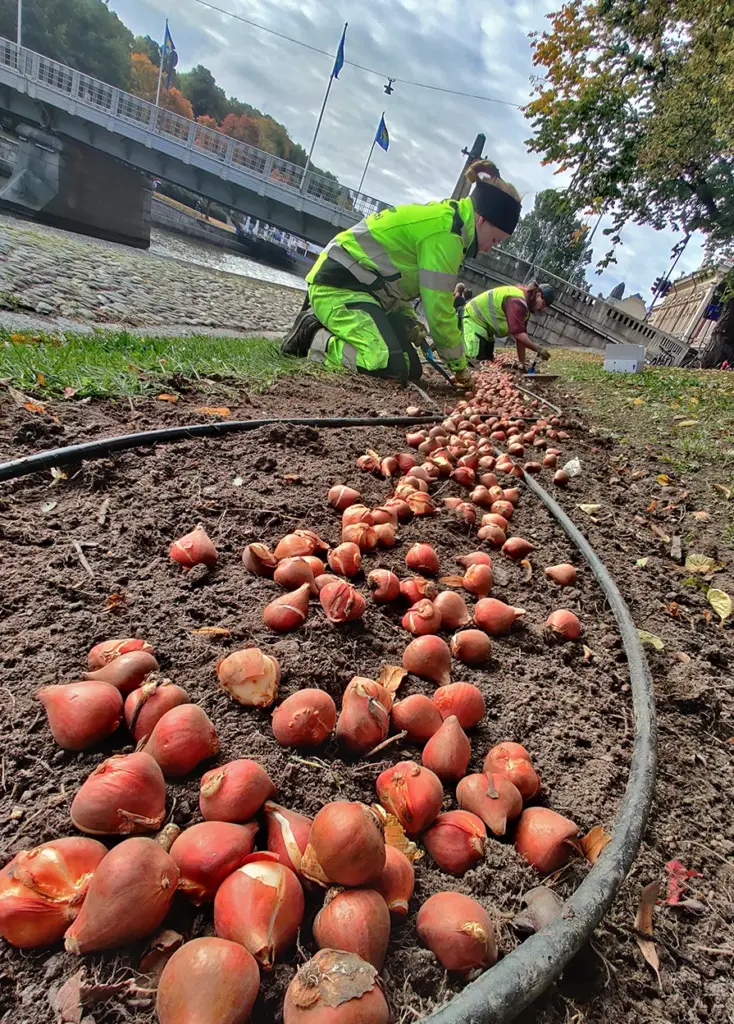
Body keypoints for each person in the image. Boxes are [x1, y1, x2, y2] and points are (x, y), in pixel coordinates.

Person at [281, 160, 522, 386]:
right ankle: (314, 336)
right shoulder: (446, 234)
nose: (491, 248)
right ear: (481, 220)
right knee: (385, 362)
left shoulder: (451, 226)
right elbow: (439, 311)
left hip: (366, 291)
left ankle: (331, 333)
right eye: (495, 239)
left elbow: (395, 282)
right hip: (338, 286)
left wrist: (409, 320)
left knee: (410, 369)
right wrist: (459, 367)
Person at [462, 281, 555, 370]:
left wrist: (521, 363)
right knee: (473, 359)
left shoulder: (525, 310)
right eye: (543, 304)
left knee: (486, 359)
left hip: (485, 327)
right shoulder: (516, 301)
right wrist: (537, 348)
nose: (542, 309)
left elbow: (521, 338)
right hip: (474, 318)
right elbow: (518, 334)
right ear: (538, 295)